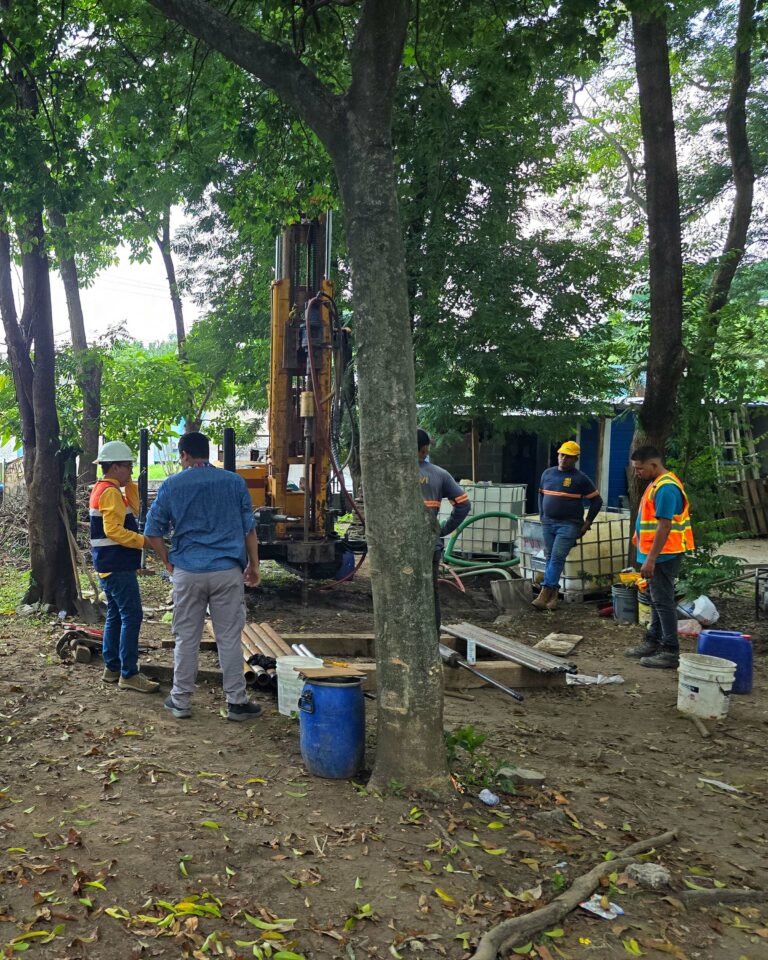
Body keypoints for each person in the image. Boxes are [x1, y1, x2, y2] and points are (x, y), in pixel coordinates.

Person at [144, 431, 263, 721]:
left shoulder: (172, 485)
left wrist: (168, 562)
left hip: (188, 572)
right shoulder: (234, 482)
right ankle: (236, 701)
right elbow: (249, 528)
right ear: (207, 453)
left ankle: (181, 700)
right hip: (226, 571)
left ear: (184, 455)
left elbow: (152, 531)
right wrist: (254, 565)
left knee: (186, 638)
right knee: (229, 638)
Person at [90, 440, 159, 694]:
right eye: (128, 467)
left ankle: (112, 667)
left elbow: (135, 506)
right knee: (132, 615)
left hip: (110, 564)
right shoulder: (109, 492)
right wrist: (144, 542)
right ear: (115, 467)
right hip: (116, 565)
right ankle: (129, 673)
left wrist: (128, 483)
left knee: (116, 615)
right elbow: (114, 530)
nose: (131, 471)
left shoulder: (108, 488)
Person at [624, 445, 694, 669]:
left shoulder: (666, 488)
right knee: (656, 600)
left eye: (639, 469)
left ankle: (670, 651)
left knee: (663, 602)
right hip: (657, 554)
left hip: (664, 555)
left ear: (654, 465)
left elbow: (664, 526)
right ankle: (652, 641)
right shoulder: (656, 484)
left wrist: (651, 559)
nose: (637, 473)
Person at [533, 440, 603, 611]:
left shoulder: (580, 479)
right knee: (550, 557)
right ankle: (553, 597)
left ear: (575, 459)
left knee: (557, 557)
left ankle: (544, 592)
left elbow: (597, 501)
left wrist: (587, 524)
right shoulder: (547, 474)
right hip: (548, 522)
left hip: (569, 525)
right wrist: (542, 515)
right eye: (561, 455)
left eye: (568, 457)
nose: (563, 459)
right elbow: (541, 495)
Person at [417, 428, 471, 630]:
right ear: (424, 449)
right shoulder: (439, 474)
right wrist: (443, 530)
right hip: (430, 545)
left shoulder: (392, 474)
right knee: (430, 593)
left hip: (399, 547)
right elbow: (464, 504)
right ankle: (431, 640)